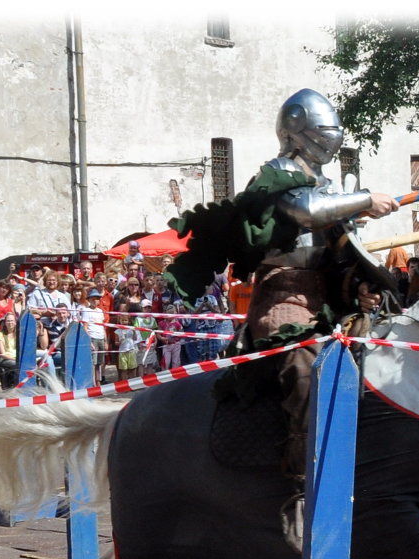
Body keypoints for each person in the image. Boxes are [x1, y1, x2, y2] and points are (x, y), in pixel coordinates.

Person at [167, 88, 400, 500]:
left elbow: (340, 251)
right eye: (321, 131)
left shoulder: (329, 187)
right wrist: (365, 199)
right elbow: (306, 211)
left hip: (328, 295)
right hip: (283, 293)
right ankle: (301, 482)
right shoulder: (277, 175)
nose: (330, 138)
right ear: (297, 133)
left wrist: (362, 286)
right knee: (305, 365)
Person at [81, 289, 108, 383]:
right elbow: (85, 327)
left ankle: (98, 382)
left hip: (100, 337)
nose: (95, 300)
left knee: (100, 363)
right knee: (93, 362)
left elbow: (103, 326)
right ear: (89, 300)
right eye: (93, 299)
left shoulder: (100, 311)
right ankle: (92, 383)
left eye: (97, 298)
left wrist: (105, 341)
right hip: (92, 337)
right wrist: (89, 341)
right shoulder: (86, 310)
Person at [0, 311, 20, 389]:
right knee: (17, 365)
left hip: (18, 358)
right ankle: (11, 386)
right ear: (4, 322)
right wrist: (15, 359)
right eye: (8, 321)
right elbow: (3, 354)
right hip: (7, 359)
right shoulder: (0, 334)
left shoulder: (19, 333)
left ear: (15, 322)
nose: (10, 323)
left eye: (12, 320)